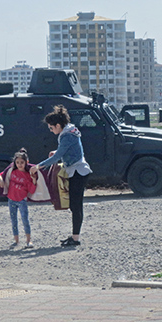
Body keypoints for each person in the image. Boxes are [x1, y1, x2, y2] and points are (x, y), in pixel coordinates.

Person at [30, 105, 92, 247]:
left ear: (58, 125)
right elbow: (64, 151)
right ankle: (74, 236)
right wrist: (56, 152)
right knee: (74, 205)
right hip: (78, 171)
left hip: (78, 172)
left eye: (52, 128)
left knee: (76, 206)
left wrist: (38, 166)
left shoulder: (67, 135)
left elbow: (58, 156)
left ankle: (75, 239)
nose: (51, 131)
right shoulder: (69, 131)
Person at [0, 148, 37, 249]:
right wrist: (1, 180)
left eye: (22, 162)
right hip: (11, 200)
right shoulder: (11, 171)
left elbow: (31, 190)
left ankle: (28, 240)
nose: (19, 164)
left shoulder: (28, 175)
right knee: (13, 220)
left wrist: (34, 181)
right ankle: (16, 240)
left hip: (22, 200)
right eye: (17, 162)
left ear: (26, 162)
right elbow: (0, 175)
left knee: (25, 220)